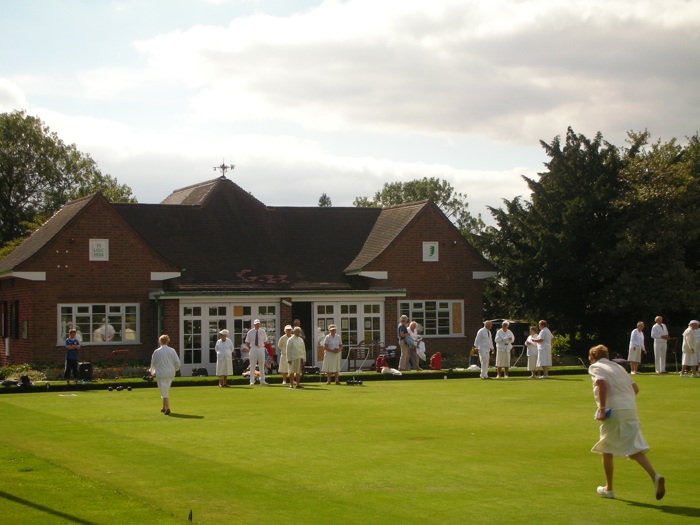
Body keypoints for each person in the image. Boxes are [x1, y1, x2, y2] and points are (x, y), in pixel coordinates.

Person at [588, 344, 665, 500]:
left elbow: (602, 384)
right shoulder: (617, 367)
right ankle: (655, 476)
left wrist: (602, 409)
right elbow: (635, 388)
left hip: (614, 412)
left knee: (606, 449)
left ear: (593, 357)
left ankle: (609, 489)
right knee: (634, 448)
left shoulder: (595, 367)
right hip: (630, 409)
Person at [149, 334, 181, 416]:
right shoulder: (172, 350)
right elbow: (177, 362)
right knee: (165, 389)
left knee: (163, 390)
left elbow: (153, 363)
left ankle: (167, 407)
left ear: (160, 341)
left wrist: (152, 372)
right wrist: (176, 369)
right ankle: (163, 407)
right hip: (170, 373)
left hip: (161, 373)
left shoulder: (157, 351)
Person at [245, 319, 269, 385]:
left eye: (258, 324)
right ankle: (252, 381)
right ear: (254, 325)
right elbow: (247, 342)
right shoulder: (250, 332)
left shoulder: (263, 332)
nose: (257, 325)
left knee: (262, 364)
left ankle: (262, 380)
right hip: (253, 348)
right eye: (256, 324)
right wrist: (250, 348)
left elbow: (265, 341)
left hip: (261, 348)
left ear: (260, 324)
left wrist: (261, 346)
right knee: (252, 365)